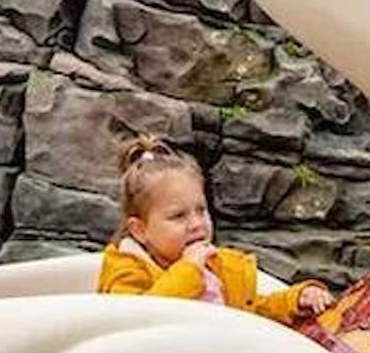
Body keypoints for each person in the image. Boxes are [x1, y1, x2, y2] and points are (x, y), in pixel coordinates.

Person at [96, 136, 333, 323]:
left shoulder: (219, 267)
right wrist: (188, 270)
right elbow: (139, 320)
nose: (197, 224)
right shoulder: (127, 270)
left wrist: (296, 299)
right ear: (139, 230)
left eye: (201, 210)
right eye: (178, 216)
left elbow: (252, 309)